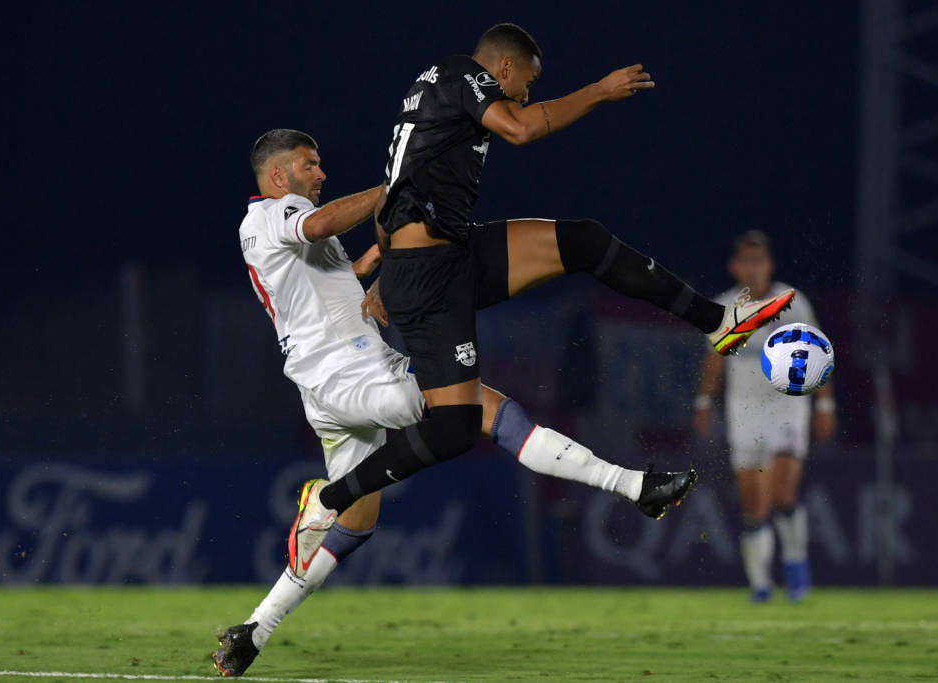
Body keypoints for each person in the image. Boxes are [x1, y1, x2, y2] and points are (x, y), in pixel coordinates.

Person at [289, 23, 796, 575]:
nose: (526, 94)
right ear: (503, 68)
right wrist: (599, 91)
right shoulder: (463, 75)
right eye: (526, 83)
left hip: (448, 254)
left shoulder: (434, 90)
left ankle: (717, 321)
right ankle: (329, 499)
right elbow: (522, 128)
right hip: (428, 277)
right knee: (455, 427)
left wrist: (385, 267)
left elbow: (399, 181)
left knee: (584, 241)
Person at [213, 128, 696, 676]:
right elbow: (322, 223)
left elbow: (326, 282)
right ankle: (632, 485)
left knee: (358, 523)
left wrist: (374, 266)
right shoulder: (274, 214)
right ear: (278, 175)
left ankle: (255, 629)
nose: (321, 174)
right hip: (352, 374)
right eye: (310, 164)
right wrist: (392, 187)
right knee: (482, 409)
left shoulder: (272, 231)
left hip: (327, 387)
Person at [693, 230, 836, 602]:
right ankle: (760, 584)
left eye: (759, 261)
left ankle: (795, 563)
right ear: (735, 267)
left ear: (769, 265)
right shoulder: (724, 307)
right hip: (744, 411)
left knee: (785, 492)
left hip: (787, 406)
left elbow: (817, 354)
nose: (753, 268)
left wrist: (825, 406)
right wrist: (703, 403)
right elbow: (714, 361)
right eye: (747, 262)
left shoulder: (792, 302)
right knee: (755, 503)